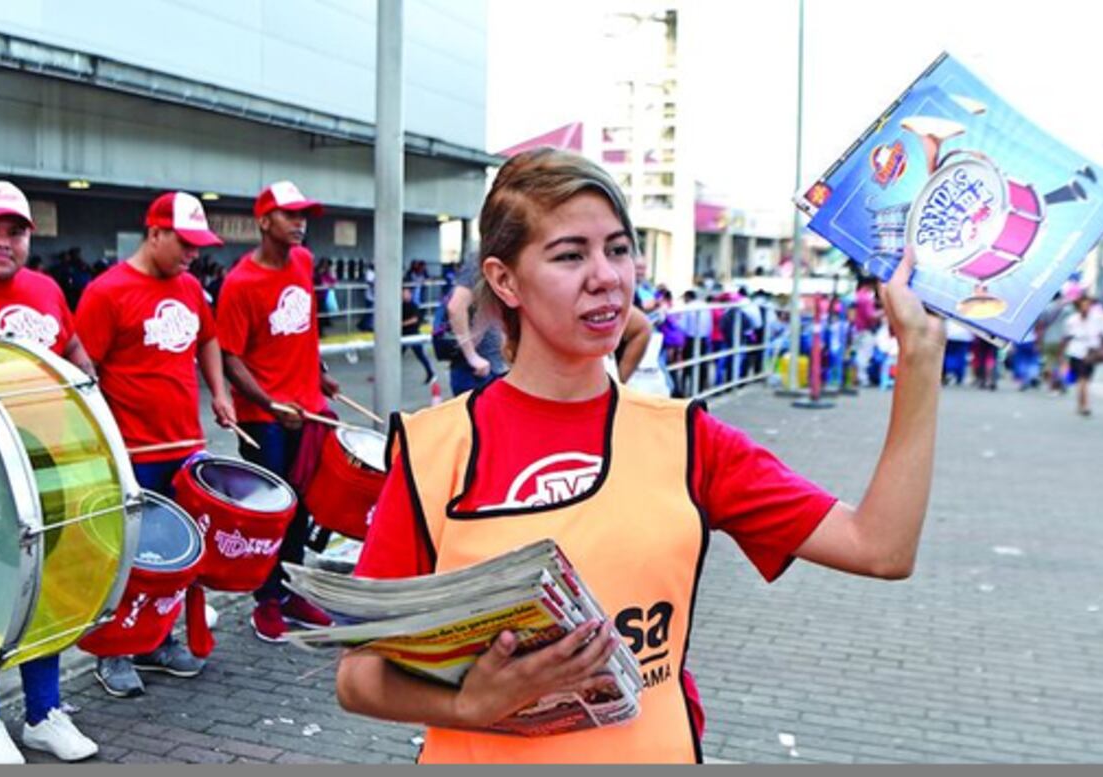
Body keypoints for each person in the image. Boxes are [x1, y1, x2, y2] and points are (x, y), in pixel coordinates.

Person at [335, 149, 945, 764]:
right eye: (570, 254)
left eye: (618, 249)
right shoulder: (434, 448)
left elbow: (880, 547)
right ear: (505, 280)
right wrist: (467, 703)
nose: (605, 276)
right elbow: (358, 676)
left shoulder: (687, 439)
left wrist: (919, 357)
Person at [0, 180, 99, 763]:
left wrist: (88, 396)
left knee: (48, 592)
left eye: (16, 231)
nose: (3, 241)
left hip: (49, 469)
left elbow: (77, 352)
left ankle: (43, 711)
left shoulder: (45, 289)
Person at [74, 191, 235, 698]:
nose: (192, 254)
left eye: (197, 245)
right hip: (131, 453)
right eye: (184, 243)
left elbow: (208, 338)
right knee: (127, 557)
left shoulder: (191, 288)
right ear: (155, 233)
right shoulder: (106, 292)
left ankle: (159, 640)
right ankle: (115, 650)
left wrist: (219, 392)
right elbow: (84, 370)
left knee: (179, 554)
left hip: (185, 444)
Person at [216, 180, 338, 642]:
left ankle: (290, 589)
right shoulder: (240, 284)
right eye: (290, 214)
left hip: (308, 409)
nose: (300, 223)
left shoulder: (304, 262)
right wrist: (269, 402)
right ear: (264, 221)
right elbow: (230, 357)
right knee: (271, 511)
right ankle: (266, 600)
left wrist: (319, 371)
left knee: (305, 503)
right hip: (263, 417)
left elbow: (301, 330)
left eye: (303, 214)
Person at [444, 254, 507, 396]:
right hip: (479, 371)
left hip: (491, 365)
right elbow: (456, 306)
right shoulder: (480, 258)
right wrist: (472, 356)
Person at [1061, 291, 1103, 417]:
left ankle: (1082, 404)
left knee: (1085, 379)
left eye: (1087, 305)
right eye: (1082, 305)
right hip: (1076, 351)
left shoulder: (1098, 318)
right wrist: (1063, 357)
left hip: (1091, 352)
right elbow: (1066, 337)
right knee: (1081, 378)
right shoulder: (1072, 320)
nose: (1085, 308)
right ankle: (1084, 404)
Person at [402, 285, 436, 384]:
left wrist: (402, 324)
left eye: (406, 293)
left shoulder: (413, 305)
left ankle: (431, 373)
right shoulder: (401, 305)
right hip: (404, 335)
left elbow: (415, 319)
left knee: (420, 355)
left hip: (413, 335)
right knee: (397, 356)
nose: (404, 295)